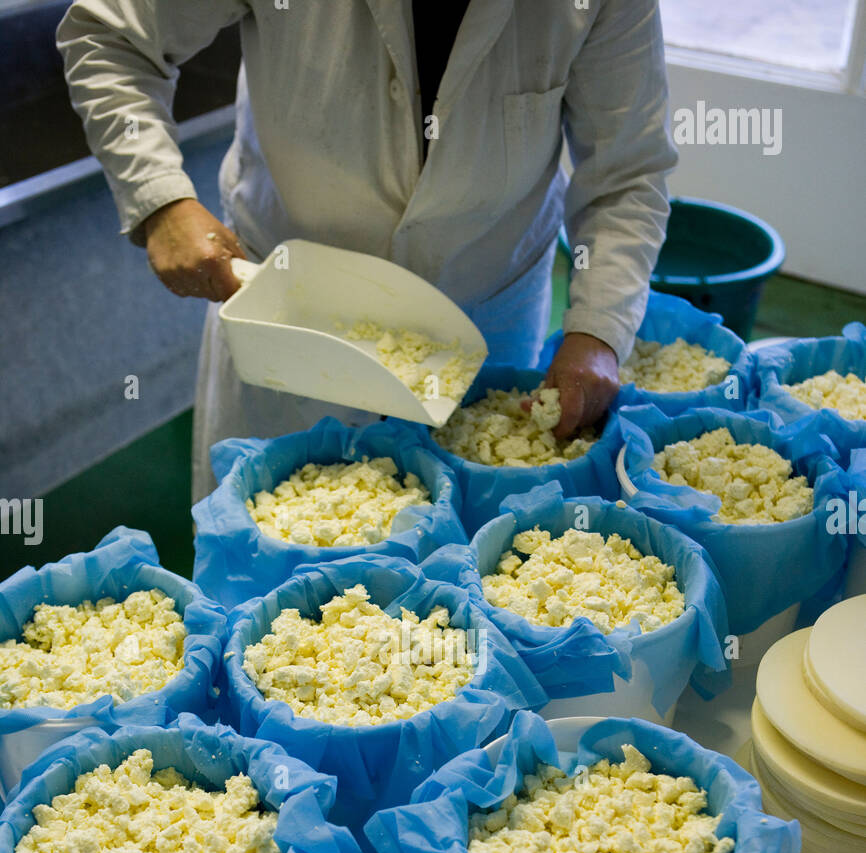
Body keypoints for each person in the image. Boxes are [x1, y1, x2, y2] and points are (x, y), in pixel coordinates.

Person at [58, 1, 676, 501]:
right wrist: (161, 201)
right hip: (291, 317)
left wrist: (597, 332)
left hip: (486, 310)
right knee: (277, 600)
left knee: (450, 615)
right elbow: (110, 36)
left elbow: (626, 171)